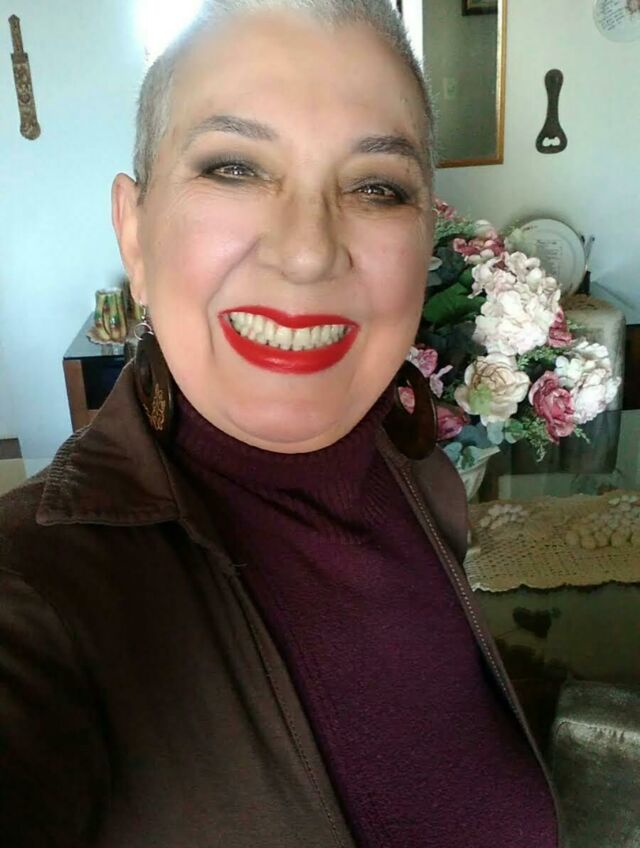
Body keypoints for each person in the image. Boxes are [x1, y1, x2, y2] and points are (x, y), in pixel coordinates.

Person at [0, 1, 560, 845]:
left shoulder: (414, 467)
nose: (307, 252)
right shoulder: (37, 596)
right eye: (234, 168)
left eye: (376, 187)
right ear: (135, 235)